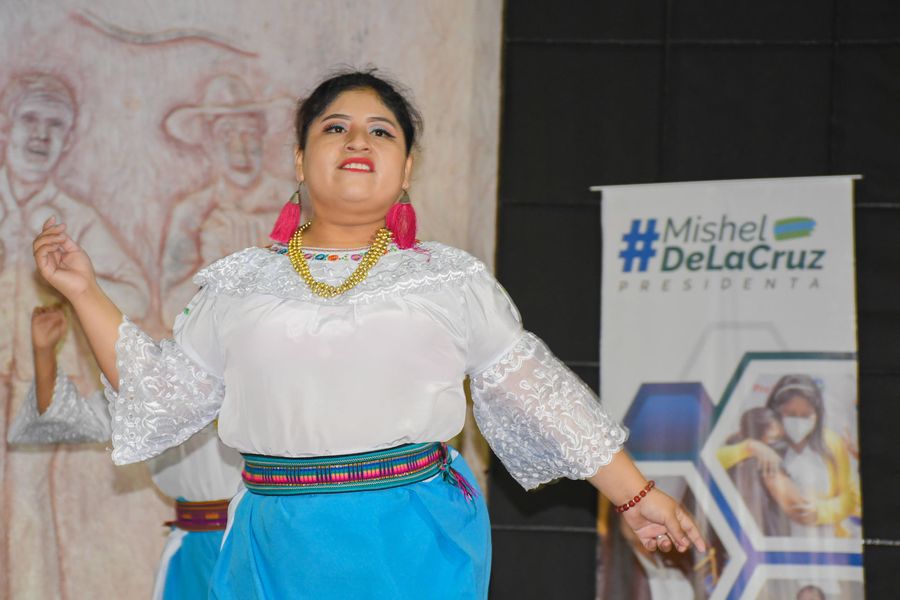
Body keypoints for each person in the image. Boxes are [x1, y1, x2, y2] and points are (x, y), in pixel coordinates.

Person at [32, 69, 705, 599]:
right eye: (336, 127)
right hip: (273, 543)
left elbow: (537, 394)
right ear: (300, 160)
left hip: (411, 538)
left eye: (381, 131)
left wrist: (636, 495)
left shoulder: (449, 279)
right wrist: (85, 293)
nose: (358, 140)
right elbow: (160, 395)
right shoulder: (237, 285)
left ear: (406, 170)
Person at [7, 305, 244, 599]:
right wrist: (44, 352)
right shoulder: (160, 387)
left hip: (249, 540)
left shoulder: (255, 376)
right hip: (192, 550)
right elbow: (63, 421)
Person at [160, 74, 294, 321]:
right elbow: (170, 313)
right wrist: (213, 265)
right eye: (226, 135)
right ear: (209, 142)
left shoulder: (296, 200)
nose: (239, 148)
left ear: (262, 137)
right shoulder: (192, 212)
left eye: (249, 134)